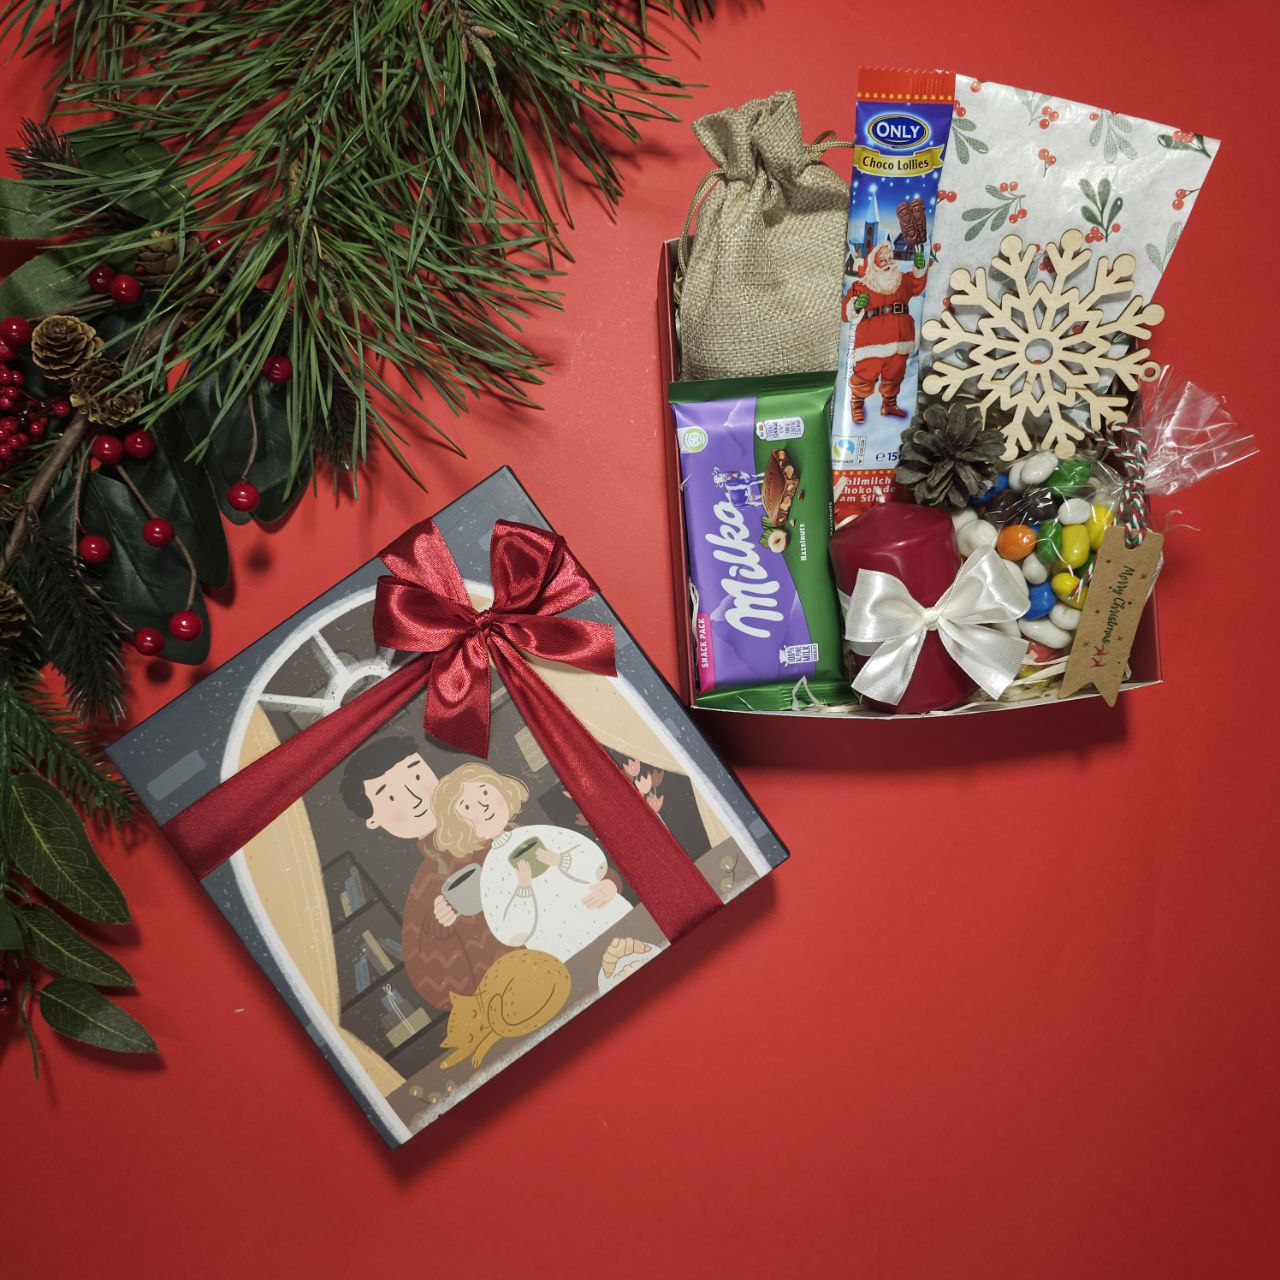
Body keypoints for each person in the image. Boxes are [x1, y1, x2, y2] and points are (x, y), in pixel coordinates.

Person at [339, 737, 507, 1014]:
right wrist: (439, 930)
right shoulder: (424, 892)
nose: (416, 798)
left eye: (417, 777)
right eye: (391, 797)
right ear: (373, 819)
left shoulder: (489, 822)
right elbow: (439, 989)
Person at [432, 762, 632, 963]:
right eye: (467, 807)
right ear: (462, 828)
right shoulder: (491, 872)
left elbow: (593, 858)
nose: (483, 805)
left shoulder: (537, 833)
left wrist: (561, 860)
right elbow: (508, 932)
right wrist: (523, 888)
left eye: (484, 793)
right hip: (566, 951)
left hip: (607, 916)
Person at [841, 239, 929, 424]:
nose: (888, 262)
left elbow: (916, 285)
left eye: (890, 257)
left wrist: (919, 268)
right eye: (883, 259)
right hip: (872, 342)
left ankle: (889, 404)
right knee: (865, 374)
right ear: (874, 264)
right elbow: (846, 313)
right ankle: (857, 403)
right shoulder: (862, 286)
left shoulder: (901, 281)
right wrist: (856, 305)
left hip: (901, 339)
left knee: (895, 373)